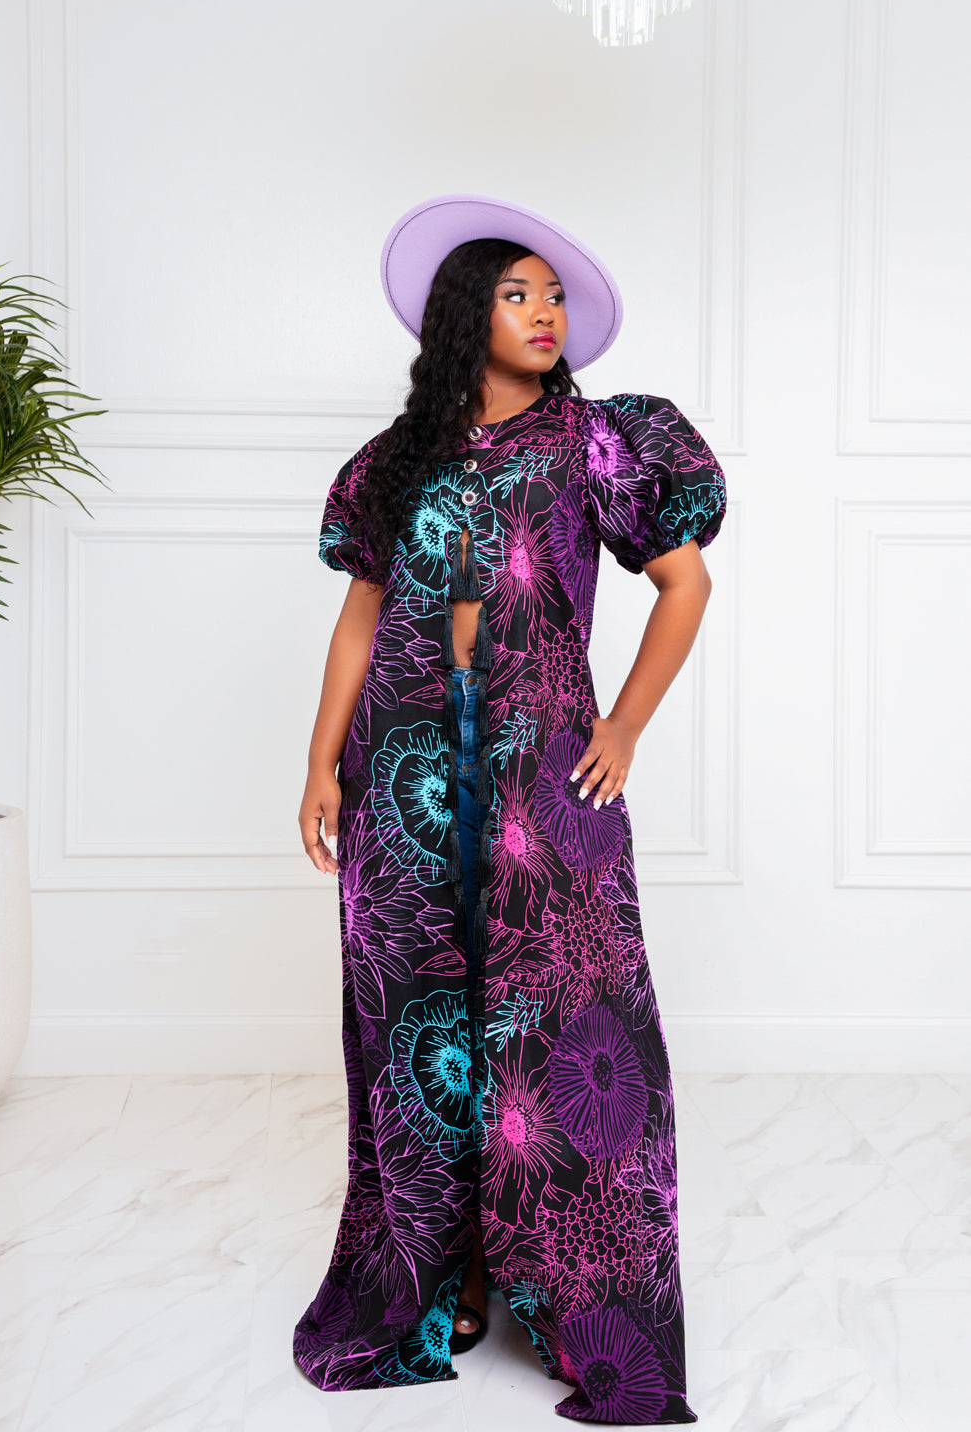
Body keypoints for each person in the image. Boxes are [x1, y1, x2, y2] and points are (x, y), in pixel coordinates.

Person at [292, 194, 725, 1425]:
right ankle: (452, 1277)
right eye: (517, 293)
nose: (546, 313)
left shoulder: (602, 441)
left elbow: (686, 584)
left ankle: (580, 1297)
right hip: (404, 769)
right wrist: (321, 763)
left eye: (555, 295)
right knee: (424, 1025)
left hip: (545, 765)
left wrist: (622, 726)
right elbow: (362, 617)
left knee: (564, 1021)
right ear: (461, 313)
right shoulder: (395, 462)